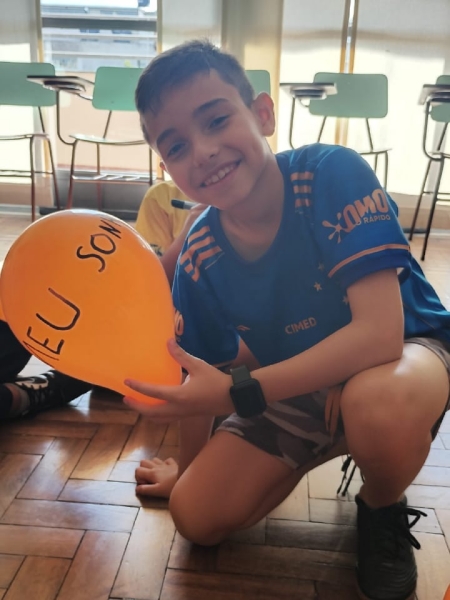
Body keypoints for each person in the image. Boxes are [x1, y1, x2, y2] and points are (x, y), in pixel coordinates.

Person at [122, 40, 450, 600]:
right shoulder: (199, 255)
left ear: (263, 114)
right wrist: (188, 469)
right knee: (196, 516)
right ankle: (333, 438)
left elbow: (380, 334)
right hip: (295, 380)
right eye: (176, 146)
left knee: (376, 404)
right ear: (166, 167)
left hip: (403, 354)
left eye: (216, 120)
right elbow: (199, 379)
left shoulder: (330, 173)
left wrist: (240, 391)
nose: (203, 151)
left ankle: (381, 503)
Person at [0, 180, 204, 419]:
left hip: (183, 347)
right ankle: (31, 394)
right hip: (147, 337)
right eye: (176, 157)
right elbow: (146, 277)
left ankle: (31, 394)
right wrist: (186, 236)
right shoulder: (163, 197)